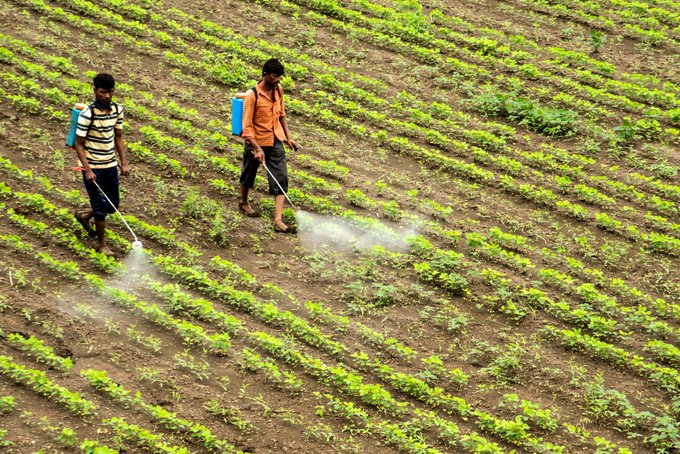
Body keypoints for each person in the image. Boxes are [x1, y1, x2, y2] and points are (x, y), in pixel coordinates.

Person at [239, 58, 298, 233]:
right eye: (274, 76)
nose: (277, 80)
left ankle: (278, 220)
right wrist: (257, 148)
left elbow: (282, 115)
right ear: (265, 74)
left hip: (276, 139)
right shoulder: (252, 96)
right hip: (256, 141)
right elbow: (247, 127)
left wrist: (289, 137)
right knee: (248, 174)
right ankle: (243, 202)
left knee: (281, 177)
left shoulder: (278, 90)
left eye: (279, 76)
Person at [73, 73, 129, 256]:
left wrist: (123, 162)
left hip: (110, 164)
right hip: (92, 165)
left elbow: (118, 137)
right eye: (103, 92)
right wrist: (87, 169)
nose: (106, 96)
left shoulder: (117, 109)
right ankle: (101, 244)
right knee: (100, 207)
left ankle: (83, 216)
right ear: (95, 90)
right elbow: (78, 144)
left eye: (110, 92)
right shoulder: (87, 114)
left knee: (112, 205)